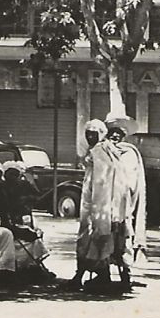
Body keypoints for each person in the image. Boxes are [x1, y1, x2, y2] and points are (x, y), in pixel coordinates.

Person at [81, 117, 147, 292]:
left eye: (120, 134)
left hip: (120, 203)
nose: (116, 136)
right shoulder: (101, 150)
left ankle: (125, 277)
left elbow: (132, 181)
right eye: (112, 133)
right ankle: (104, 276)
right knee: (101, 240)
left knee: (121, 240)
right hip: (100, 202)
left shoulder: (128, 153)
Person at [66, 119, 110, 290]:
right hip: (88, 197)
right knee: (86, 237)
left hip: (98, 200)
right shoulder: (93, 150)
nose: (90, 136)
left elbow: (103, 179)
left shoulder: (102, 151)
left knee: (94, 237)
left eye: (94, 133)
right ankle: (88, 275)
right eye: (88, 133)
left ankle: (90, 275)